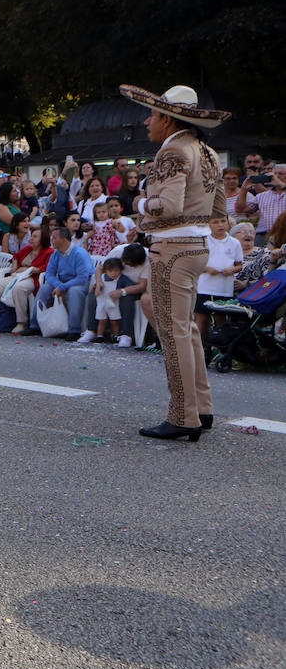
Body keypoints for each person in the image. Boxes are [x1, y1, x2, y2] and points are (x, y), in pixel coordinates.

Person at [121, 84, 229, 441]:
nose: (148, 121)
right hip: (196, 247)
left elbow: (167, 205)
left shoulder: (173, 152)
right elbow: (218, 209)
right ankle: (201, 407)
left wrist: (139, 205)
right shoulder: (207, 151)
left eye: (152, 115)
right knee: (187, 328)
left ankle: (184, 415)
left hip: (172, 248)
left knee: (174, 331)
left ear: (167, 119)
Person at [35, 226, 94, 339]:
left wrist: (63, 286)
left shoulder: (79, 254)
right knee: (45, 288)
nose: (51, 241)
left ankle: (74, 329)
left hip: (83, 283)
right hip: (63, 281)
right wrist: (58, 285)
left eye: (54, 238)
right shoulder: (56, 254)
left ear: (63, 239)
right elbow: (49, 274)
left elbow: (82, 277)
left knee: (74, 291)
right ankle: (35, 325)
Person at [236, 162, 286, 247]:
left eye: (281, 174)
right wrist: (244, 189)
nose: (276, 176)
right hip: (264, 235)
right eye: (274, 174)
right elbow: (241, 209)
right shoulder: (263, 196)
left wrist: (281, 185)